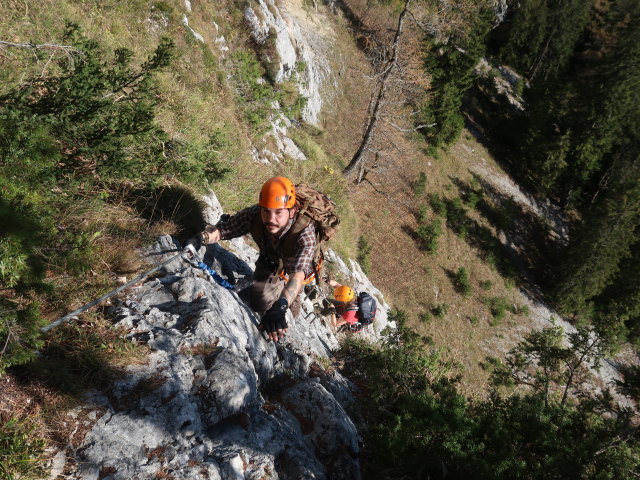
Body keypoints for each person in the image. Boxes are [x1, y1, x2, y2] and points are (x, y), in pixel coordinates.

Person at [200, 177, 317, 342]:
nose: (271, 218)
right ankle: (275, 287)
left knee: (288, 294)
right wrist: (201, 238)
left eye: (278, 212)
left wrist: (281, 306)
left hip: (294, 264)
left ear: (292, 211)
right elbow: (224, 230)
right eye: (266, 211)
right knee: (259, 302)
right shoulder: (255, 214)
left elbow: (297, 275)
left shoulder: (304, 233)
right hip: (270, 258)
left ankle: (291, 298)